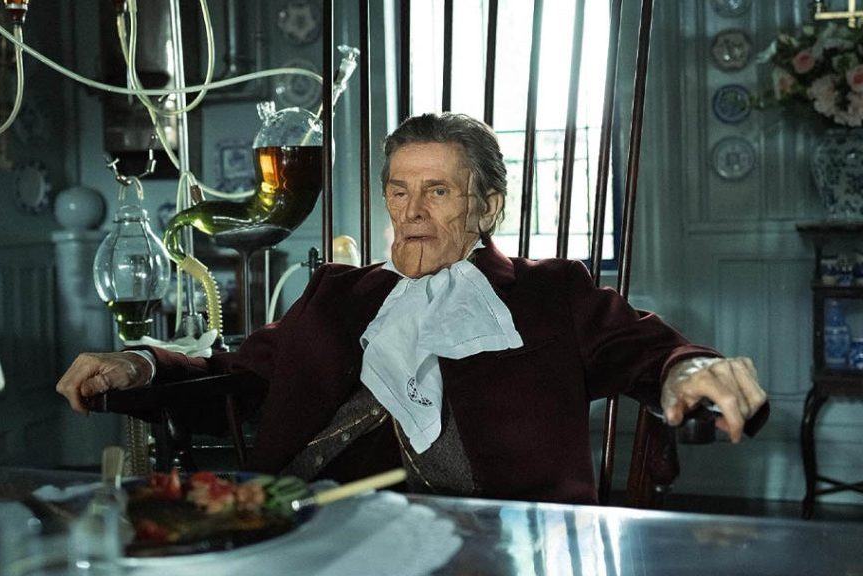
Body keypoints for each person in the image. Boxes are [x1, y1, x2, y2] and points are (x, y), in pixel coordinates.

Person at [57, 112, 767, 504]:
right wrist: (141, 364)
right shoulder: (339, 292)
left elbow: (649, 353)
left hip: (490, 539)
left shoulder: (551, 292)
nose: (412, 211)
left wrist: (689, 371)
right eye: (399, 191)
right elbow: (239, 378)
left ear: (487, 206)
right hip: (314, 523)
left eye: (438, 191)